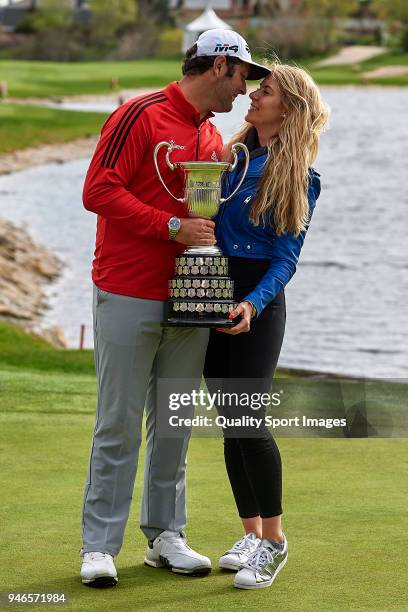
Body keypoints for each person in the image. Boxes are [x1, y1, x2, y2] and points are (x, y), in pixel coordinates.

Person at [79, 28, 270, 587]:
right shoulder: (138, 114)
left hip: (193, 295)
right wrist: (170, 226)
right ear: (218, 68)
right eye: (242, 78)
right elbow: (98, 190)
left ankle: (165, 535)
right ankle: (99, 546)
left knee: (174, 423)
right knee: (117, 423)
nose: (244, 90)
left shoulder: (213, 137)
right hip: (127, 288)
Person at [204, 63, 329, 589]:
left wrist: (252, 304)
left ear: (289, 108)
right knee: (232, 428)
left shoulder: (299, 175)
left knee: (249, 424)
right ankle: (251, 534)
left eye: (266, 91)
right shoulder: (230, 159)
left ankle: (274, 542)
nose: (253, 96)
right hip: (212, 295)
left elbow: (285, 259)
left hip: (256, 304)